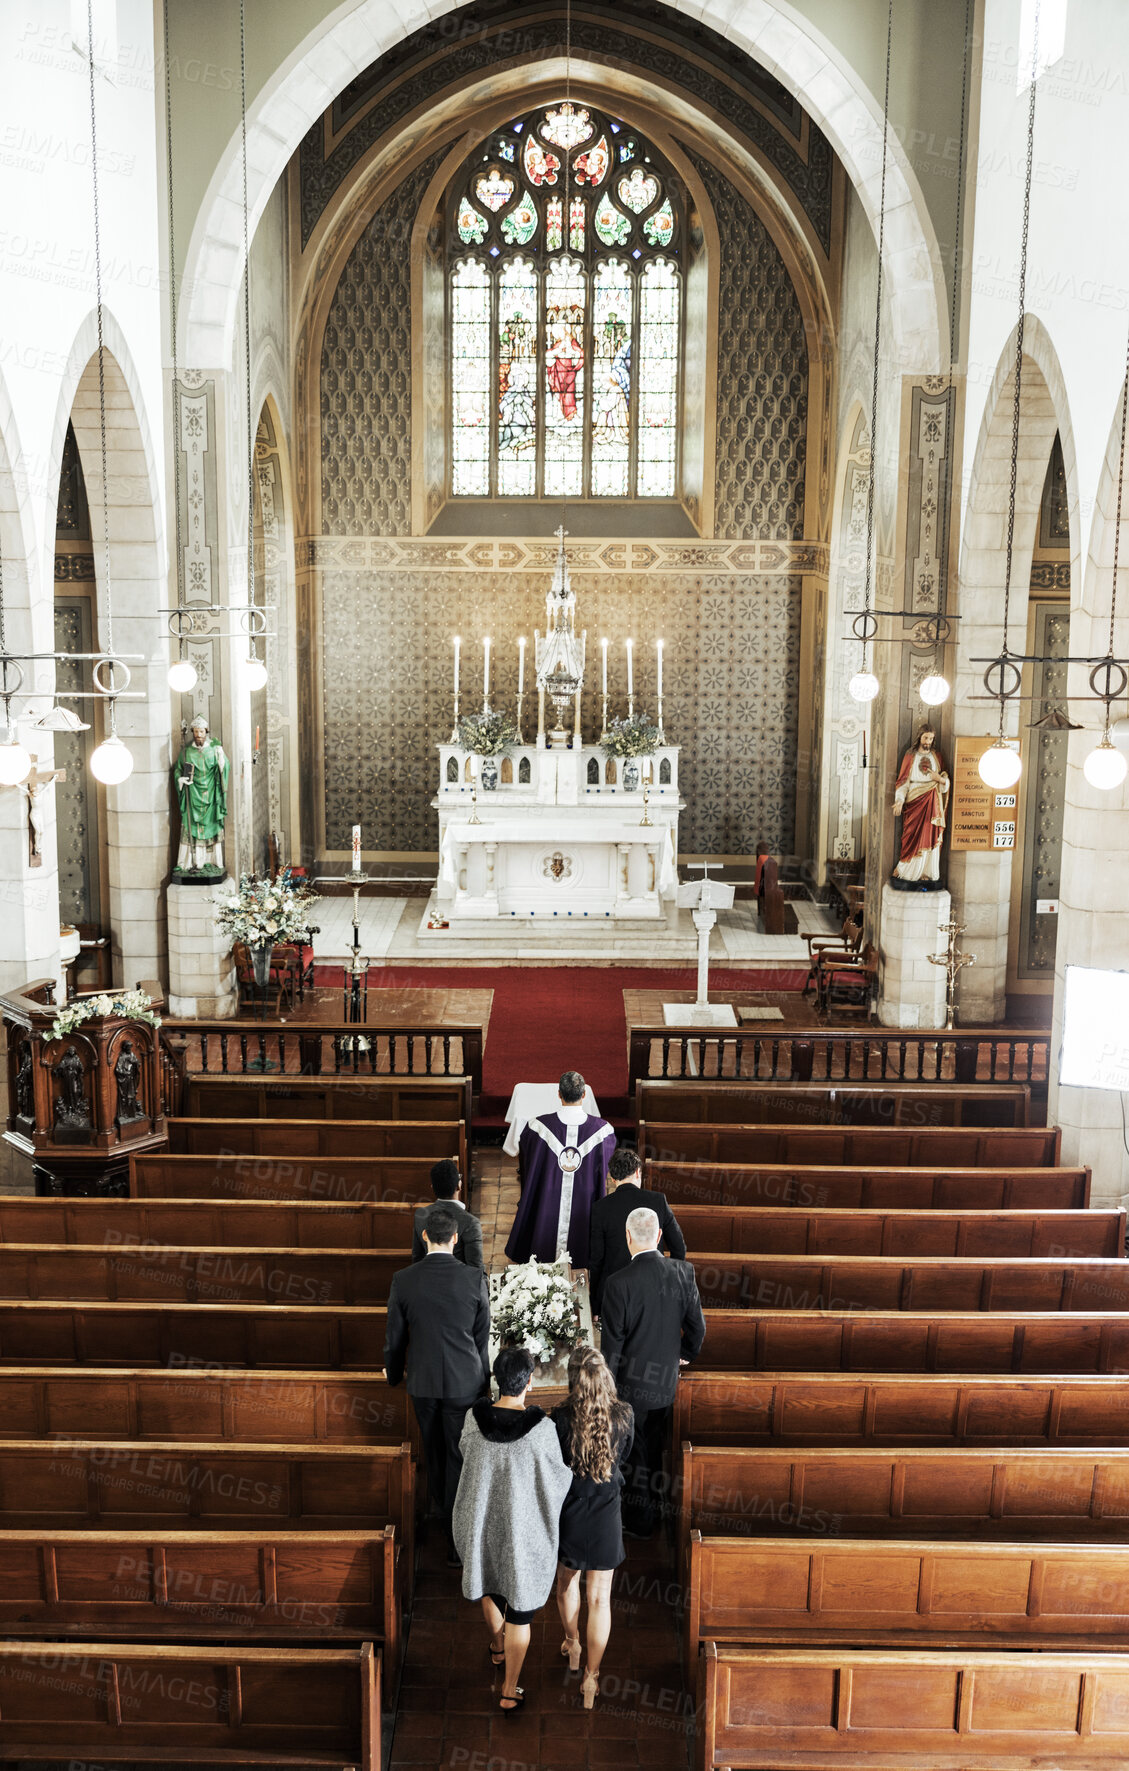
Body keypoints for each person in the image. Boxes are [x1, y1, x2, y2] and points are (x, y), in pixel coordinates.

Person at [453, 1347, 573, 1715]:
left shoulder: (474, 1420)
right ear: (530, 1382)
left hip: (481, 1525)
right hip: (524, 1534)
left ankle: (497, 1646)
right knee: (520, 1611)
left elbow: (464, 1453)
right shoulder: (542, 1430)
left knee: (488, 1587)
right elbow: (558, 1478)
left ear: (496, 1379)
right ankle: (509, 1689)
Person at [383, 1207, 490, 1565]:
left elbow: (395, 1339)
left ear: (424, 1237)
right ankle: (456, 1535)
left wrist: (394, 1374)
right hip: (464, 1382)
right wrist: (483, 1380)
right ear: (456, 1239)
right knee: (460, 1455)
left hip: (424, 1382)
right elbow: (481, 1338)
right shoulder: (475, 1279)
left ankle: (439, 1511)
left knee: (433, 1452)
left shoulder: (403, 1279)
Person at [599, 1206, 706, 1538]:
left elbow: (612, 1348)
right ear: (659, 1237)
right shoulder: (682, 1272)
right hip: (665, 1384)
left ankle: (643, 1521)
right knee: (657, 1446)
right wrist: (683, 1355)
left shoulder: (617, 1284)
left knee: (636, 1456)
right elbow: (697, 1329)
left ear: (628, 1237)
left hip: (631, 1389)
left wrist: (607, 1390)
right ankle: (658, 1510)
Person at [553, 1348, 634, 1710]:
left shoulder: (559, 1419)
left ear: (573, 1380)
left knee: (566, 1584)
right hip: (606, 1515)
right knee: (600, 1599)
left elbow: (555, 1464)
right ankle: (591, 1678)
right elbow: (625, 1456)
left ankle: (572, 1644)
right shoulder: (624, 1416)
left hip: (571, 1511)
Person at [505, 1071, 614, 1270]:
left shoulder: (537, 1127)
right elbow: (604, 1168)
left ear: (559, 1094)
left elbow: (527, 1162)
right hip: (585, 1203)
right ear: (583, 1095)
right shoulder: (603, 1132)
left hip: (546, 1201)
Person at [588, 1145, 686, 1316]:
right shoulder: (658, 1201)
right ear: (638, 1173)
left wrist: (596, 1305)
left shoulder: (600, 1208)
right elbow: (679, 1248)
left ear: (611, 1178)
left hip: (614, 1292)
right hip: (654, 1288)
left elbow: (596, 1260)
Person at [172, 717, 230, 877]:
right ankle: (189, 862)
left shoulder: (214, 749)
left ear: (206, 732)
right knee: (191, 826)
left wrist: (221, 759)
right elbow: (178, 769)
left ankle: (212, 861)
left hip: (210, 797)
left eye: (201, 732)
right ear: (193, 733)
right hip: (192, 796)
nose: (198, 735)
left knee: (210, 827)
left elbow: (224, 768)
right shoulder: (186, 753)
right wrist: (180, 779)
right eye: (196, 732)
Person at [892, 726, 950, 885]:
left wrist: (940, 780)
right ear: (919, 738)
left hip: (932, 800)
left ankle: (927, 873)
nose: (928, 742)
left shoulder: (936, 755)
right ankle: (906, 871)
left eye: (931, 739)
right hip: (914, 802)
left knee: (931, 835)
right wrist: (899, 800)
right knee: (911, 836)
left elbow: (944, 778)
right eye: (925, 738)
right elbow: (903, 782)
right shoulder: (910, 756)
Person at [411, 1159, 483, 1268]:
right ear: (459, 1185)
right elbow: (476, 1271)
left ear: (433, 1188)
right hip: (459, 1282)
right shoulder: (471, 1222)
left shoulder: (420, 1214)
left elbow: (417, 1259)